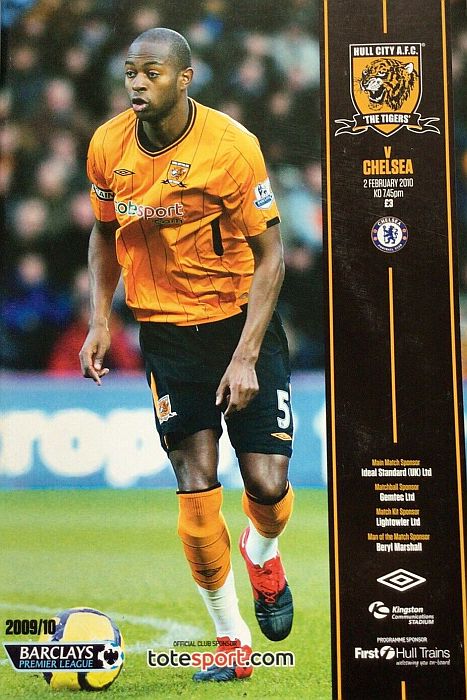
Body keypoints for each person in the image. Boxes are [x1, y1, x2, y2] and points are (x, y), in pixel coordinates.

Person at [79, 27, 294, 682]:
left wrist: (246, 355)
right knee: (196, 491)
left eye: (151, 72)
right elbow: (103, 233)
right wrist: (98, 320)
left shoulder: (231, 148)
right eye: (130, 72)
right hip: (167, 334)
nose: (137, 83)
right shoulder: (107, 146)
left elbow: (272, 256)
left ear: (184, 78)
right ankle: (232, 643)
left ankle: (263, 554)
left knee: (266, 485)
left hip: (239, 324)